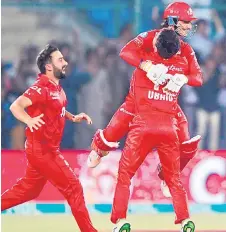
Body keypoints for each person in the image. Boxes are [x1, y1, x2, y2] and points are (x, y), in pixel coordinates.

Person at [87, 1, 202, 197]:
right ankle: (99, 149)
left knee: (186, 142)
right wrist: (145, 65)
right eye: (186, 22)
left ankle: (168, 175)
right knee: (113, 130)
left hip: (167, 104)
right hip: (139, 100)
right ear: (173, 21)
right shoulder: (149, 38)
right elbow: (125, 52)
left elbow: (198, 78)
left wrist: (183, 78)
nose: (190, 27)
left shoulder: (186, 49)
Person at [1, 45, 98, 232]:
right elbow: (15, 106)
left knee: (29, 190)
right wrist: (28, 120)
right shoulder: (41, 88)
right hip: (43, 150)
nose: (65, 63)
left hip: (44, 149)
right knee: (74, 188)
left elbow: (55, 109)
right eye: (60, 60)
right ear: (48, 66)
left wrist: (72, 117)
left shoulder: (57, 88)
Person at [110, 29, 196, 232]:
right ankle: (185, 221)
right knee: (173, 178)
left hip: (143, 127)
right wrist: (183, 78)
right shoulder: (181, 66)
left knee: (124, 175)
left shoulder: (144, 61)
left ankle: (121, 221)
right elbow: (195, 76)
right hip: (168, 128)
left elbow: (127, 52)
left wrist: (145, 63)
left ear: (156, 46)